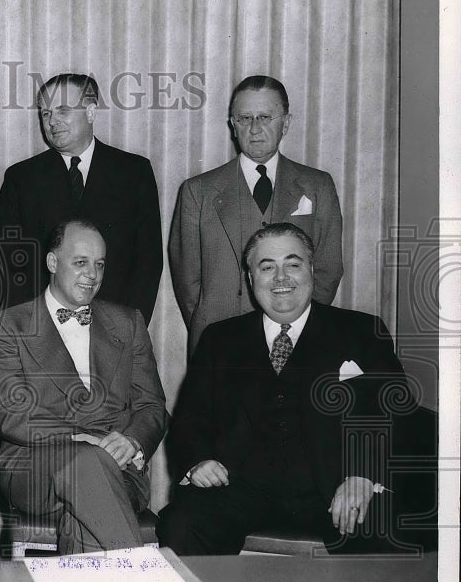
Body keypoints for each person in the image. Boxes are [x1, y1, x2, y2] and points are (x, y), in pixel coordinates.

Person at [157, 223, 415, 555]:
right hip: (239, 491)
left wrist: (362, 476)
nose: (281, 278)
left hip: (334, 490)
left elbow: (397, 415)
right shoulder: (219, 339)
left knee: (390, 530)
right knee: (182, 522)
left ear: (311, 270)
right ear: (252, 279)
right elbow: (190, 418)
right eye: (267, 267)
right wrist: (198, 461)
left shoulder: (361, 331)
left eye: (292, 264)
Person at [0, 220, 167, 554]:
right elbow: (9, 414)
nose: (92, 275)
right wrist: (76, 438)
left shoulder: (128, 322)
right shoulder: (8, 326)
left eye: (99, 265)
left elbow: (152, 407)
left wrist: (132, 440)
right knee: (85, 464)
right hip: (33, 467)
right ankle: (142, 576)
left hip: (118, 469)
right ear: (53, 263)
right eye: (80, 263)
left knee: (83, 515)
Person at [168, 75, 343, 356]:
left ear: (285, 123)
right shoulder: (197, 191)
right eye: (245, 118)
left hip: (295, 337)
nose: (255, 128)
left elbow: (328, 269)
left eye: (265, 117)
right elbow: (187, 281)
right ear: (232, 125)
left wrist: (300, 323)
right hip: (218, 339)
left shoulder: (317, 186)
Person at [0, 74, 163, 324]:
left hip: (113, 329)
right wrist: (23, 331)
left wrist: (128, 329)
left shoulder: (134, 172)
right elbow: (5, 264)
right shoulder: (22, 177)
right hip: (40, 332)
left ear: (91, 112)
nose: (52, 122)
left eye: (63, 110)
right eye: (46, 113)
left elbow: (147, 262)